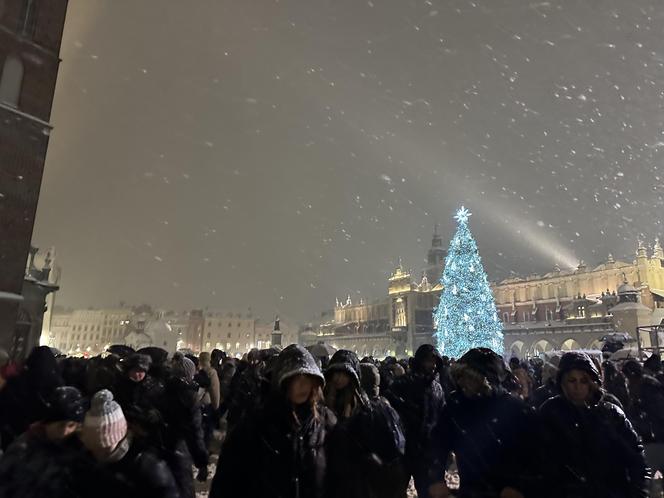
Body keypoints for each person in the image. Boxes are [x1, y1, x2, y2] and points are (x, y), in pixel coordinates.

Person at [210, 344, 336, 498]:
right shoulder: (256, 423)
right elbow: (228, 481)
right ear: (283, 381)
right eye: (297, 378)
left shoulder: (326, 423)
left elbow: (339, 477)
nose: (303, 384)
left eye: (308, 379)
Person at [428, 348, 537, 498]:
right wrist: (436, 478)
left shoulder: (514, 408)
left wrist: (517, 484)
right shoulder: (457, 405)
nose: (462, 382)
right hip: (470, 488)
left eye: (468, 377)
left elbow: (532, 452)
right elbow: (438, 442)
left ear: (485, 379)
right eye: (460, 377)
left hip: (507, 491)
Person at [538, 352, 649, 498]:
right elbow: (539, 458)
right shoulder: (551, 411)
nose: (577, 386)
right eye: (572, 380)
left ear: (592, 382)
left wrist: (637, 491)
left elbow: (635, 456)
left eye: (583, 381)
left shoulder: (610, 412)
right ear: (563, 382)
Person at [79, 389, 180, 498]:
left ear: (119, 437)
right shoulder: (87, 461)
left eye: (104, 445)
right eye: (92, 445)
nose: (97, 451)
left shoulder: (150, 468)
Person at [0, 386, 89, 498]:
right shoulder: (22, 448)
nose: (66, 431)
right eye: (60, 425)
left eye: (71, 426)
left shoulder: (71, 450)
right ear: (48, 422)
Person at [385, 344, 445, 498]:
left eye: (434, 362)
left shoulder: (436, 388)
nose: (432, 366)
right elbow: (390, 414)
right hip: (404, 449)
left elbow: (441, 417)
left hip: (426, 451)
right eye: (428, 361)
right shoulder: (402, 384)